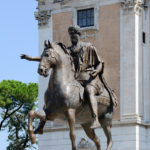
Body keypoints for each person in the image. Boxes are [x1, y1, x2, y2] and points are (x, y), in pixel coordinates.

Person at [67, 26, 117, 129]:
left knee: (89, 91)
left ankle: (95, 119)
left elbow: (100, 64)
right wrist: (32, 59)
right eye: (70, 34)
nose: (72, 36)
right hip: (76, 80)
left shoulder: (89, 47)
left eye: (74, 34)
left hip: (91, 79)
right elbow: (51, 57)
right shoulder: (68, 51)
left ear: (78, 35)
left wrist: (95, 72)